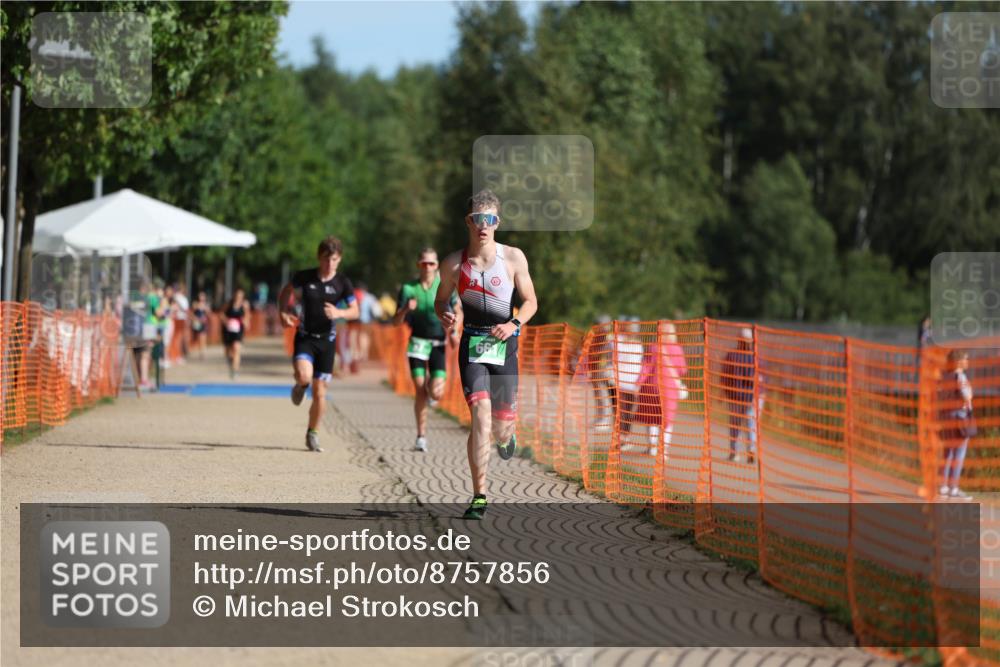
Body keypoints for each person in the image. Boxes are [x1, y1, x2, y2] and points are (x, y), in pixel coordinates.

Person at [435, 189, 538, 520]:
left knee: (501, 428)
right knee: (480, 413)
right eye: (479, 218)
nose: (484, 225)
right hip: (473, 346)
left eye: (491, 219)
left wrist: (514, 323)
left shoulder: (513, 258)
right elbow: (440, 300)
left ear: (498, 223)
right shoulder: (453, 263)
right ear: (469, 221)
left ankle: (508, 435)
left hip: (505, 346)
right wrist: (444, 314)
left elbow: (531, 301)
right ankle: (479, 494)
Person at [277, 236, 359, 453]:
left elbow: (355, 310)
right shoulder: (304, 277)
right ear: (318, 257)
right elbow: (286, 292)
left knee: (321, 392)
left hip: (327, 342)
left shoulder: (343, 283)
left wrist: (339, 312)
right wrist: (283, 312)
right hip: (305, 336)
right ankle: (300, 385)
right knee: (304, 376)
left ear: (339, 259)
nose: (329, 264)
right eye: (325, 259)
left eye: (333, 259)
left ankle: (312, 433)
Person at [395, 248, 462, 452]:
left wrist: (454, 332)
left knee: (435, 392)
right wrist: (406, 309)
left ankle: (433, 396)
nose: (428, 267)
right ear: (418, 265)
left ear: (437, 265)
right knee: (420, 390)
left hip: (437, 344)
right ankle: (421, 436)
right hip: (417, 343)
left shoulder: (444, 285)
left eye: (431, 263)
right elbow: (395, 321)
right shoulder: (408, 288)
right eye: (424, 263)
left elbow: (457, 309)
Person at [721, 328, 761, 464]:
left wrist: (723, 393)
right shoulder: (753, 357)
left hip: (734, 397)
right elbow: (756, 379)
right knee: (750, 425)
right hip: (748, 397)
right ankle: (751, 448)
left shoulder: (731, 355)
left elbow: (724, 376)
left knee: (735, 425)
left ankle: (734, 452)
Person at [938, 349, 974, 501]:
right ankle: (954, 488)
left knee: (947, 453)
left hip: (946, 416)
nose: (967, 362)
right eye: (965, 359)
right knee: (959, 454)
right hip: (960, 416)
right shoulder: (961, 376)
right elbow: (966, 396)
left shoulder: (945, 376)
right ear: (959, 361)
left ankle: (943, 486)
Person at [651, 321, 688, 458]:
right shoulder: (677, 349)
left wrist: (639, 382)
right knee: (668, 420)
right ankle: (663, 450)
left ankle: (653, 446)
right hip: (671, 389)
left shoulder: (654, 347)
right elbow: (682, 370)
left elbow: (647, 366)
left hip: (654, 387)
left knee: (654, 418)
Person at [221, 288, 250, 379]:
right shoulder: (228, 304)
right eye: (237, 295)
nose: (239, 297)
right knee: (228, 351)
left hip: (238, 330)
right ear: (234, 295)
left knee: (236, 348)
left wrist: (246, 322)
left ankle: (235, 371)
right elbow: (221, 314)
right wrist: (226, 321)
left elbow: (247, 316)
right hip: (228, 330)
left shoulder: (244, 305)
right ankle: (230, 361)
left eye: (241, 296)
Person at [190, 291, 210, 360]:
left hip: (204, 323)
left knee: (203, 338)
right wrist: (196, 318)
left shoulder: (206, 305)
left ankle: (202, 353)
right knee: (198, 338)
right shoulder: (195, 304)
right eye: (200, 296)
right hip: (197, 323)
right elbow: (191, 314)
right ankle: (199, 351)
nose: (202, 298)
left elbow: (208, 314)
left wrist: (206, 310)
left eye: (203, 296)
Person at [173, 283, 190, 363]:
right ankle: (177, 356)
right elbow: (186, 311)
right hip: (180, 319)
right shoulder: (182, 298)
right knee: (179, 339)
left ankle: (175, 355)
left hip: (175, 319)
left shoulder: (175, 297)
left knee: (175, 338)